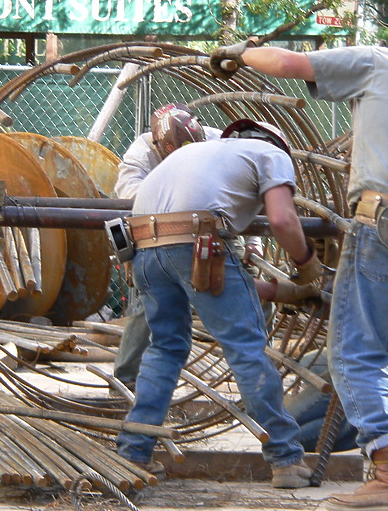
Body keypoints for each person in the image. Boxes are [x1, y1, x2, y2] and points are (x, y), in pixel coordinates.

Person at [211, 7, 388, 511]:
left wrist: (240, 52)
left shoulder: (384, 64)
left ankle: (386, 474)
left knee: (356, 352)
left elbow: (291, 63)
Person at [114, 119, 325, 489]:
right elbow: (281, 218)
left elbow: (217, 280)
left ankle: (133, 452)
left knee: (164, 348)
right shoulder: (270, 153)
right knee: (246, 348)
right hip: (197, 241)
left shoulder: (197, 152)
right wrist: (307, 266)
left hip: (143, 246)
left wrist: (280, 290)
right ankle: (286, 458)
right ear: (277, 144)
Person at [112, 104, 313, 390]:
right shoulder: (141, 153)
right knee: (149, 303)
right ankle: (127, 377)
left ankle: (254, 367)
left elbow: (248, 195)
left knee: (244, 287)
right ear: (159, 145)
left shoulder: (215, 140)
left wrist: (253, 242)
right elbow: (130, 194)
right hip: (162, 226)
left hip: (215, 222)